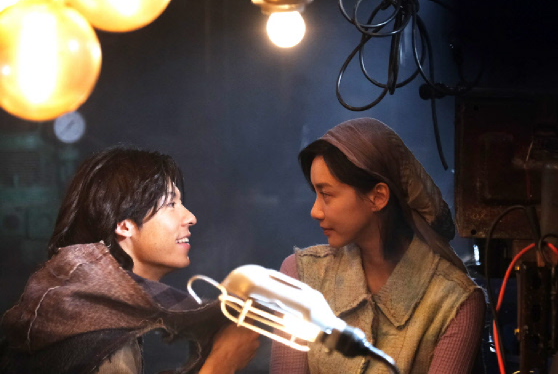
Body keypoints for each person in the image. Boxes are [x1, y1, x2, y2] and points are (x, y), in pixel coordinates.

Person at [0, 145, 259, 374]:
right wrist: (222, 364)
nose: (190, 217)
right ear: (124, 225)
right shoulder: (102, 342)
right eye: (171, 204)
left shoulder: (82, 308)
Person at [270, 117, 485, 374]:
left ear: (378, 197)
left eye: (326, 194)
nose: (315, 211)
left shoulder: (455, 303)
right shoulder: (301, 277)